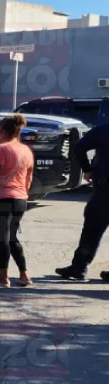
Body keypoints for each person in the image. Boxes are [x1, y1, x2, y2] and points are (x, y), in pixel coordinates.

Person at [55, 120, 109, 280]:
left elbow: (79, 147)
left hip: (104, 189)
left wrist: (87, 169)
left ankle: (79, 267)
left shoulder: (104, 130)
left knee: (92, 228)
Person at [0, 115, 34, 287]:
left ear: (3, 131)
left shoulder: (2, 149)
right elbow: (28, 179)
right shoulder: (26, 151)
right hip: (20, 198)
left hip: (2, 198)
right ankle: (24, 274)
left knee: (1, 239)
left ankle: (3, 276)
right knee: (12, 237)